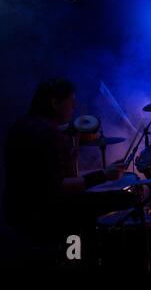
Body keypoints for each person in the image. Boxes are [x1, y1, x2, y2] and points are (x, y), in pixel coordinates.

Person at [2, 78, 127, 265]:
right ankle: (75, 258)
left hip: (14, 211)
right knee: (121, 199)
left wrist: (72, 145)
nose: (74, 107)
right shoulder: (49, 134)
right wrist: (104, 175)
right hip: (45, 215)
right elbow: (60, 187)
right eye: (71, 101)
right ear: (54, 103)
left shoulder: (19, 126)